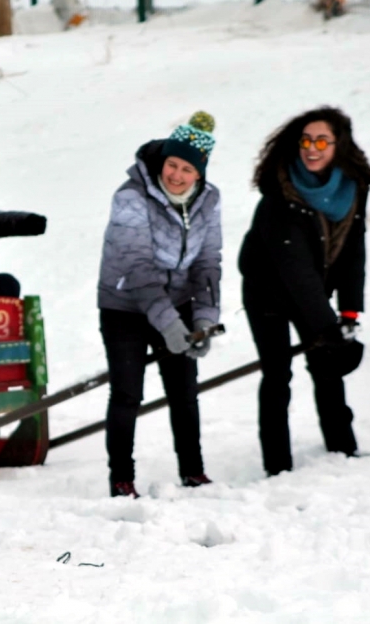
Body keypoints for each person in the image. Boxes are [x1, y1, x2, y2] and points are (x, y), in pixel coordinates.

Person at [238, 107, 370, 476]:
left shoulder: (352, 188)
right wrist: (327, 326)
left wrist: (349, 312)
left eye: (321, 141)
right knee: (277, 373)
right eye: (305, 140)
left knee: (326, 367)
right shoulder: (280, 195)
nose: (311, 149)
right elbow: (294, 268)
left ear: (338, 145)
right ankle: (277, 466)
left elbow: (352, 251)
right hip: (267, 292)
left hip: (311, 290)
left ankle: (342, 447)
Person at [97, 112, 222, 497]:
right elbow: (137, 268)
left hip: (178, 301)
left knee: (184, 389)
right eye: (172, 164)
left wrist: (203, 318)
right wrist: (169, 324)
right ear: (162, 161)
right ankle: (121, 478)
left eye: (187, 169)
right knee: (127, 393)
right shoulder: (130, 197)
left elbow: (208, 262)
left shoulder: (209, 200)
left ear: (199, 174)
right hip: (123, 305)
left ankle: (193, 471)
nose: (177, 175)